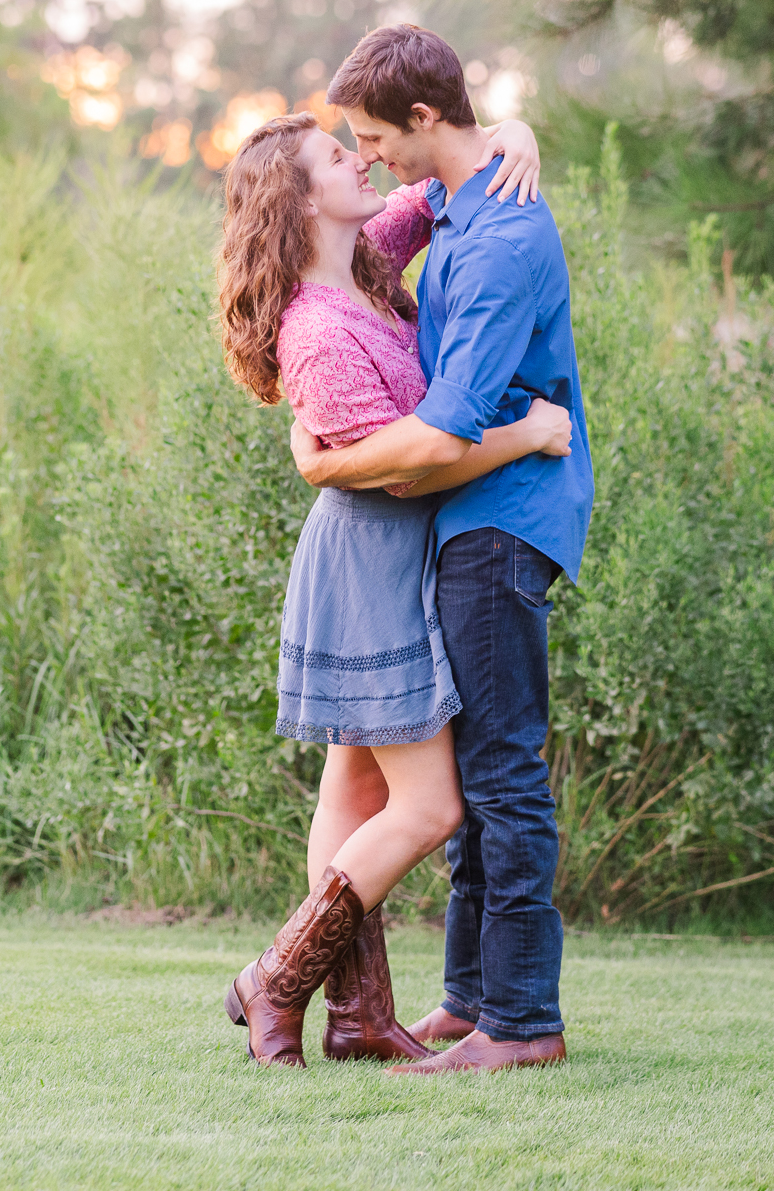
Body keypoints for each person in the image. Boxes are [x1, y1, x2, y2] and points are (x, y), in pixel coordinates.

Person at [215, 107, 573, 1069]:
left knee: (356, 780)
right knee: (430, 808)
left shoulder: (368, 253)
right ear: (301, 201)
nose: (359, 157)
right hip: (370, 560)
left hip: (392, 550)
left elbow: (442, 163)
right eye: (339, 155)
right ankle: (276, 979)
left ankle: (359, 1014)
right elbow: (407, 470)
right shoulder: (317, 331)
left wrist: (515, 128)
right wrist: (527, 435)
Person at [289, 24, 594, 1075]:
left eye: (373, 135)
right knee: (474, 774)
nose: (364, 154)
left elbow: (445, 430)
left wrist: (326, 464)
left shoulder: (501, 235)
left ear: (424, 118)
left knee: (502, 777)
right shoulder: (460, 209)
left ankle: (521, 1021)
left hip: (500, 518)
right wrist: (511, 125)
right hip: (468, 521)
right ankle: (469, 998)